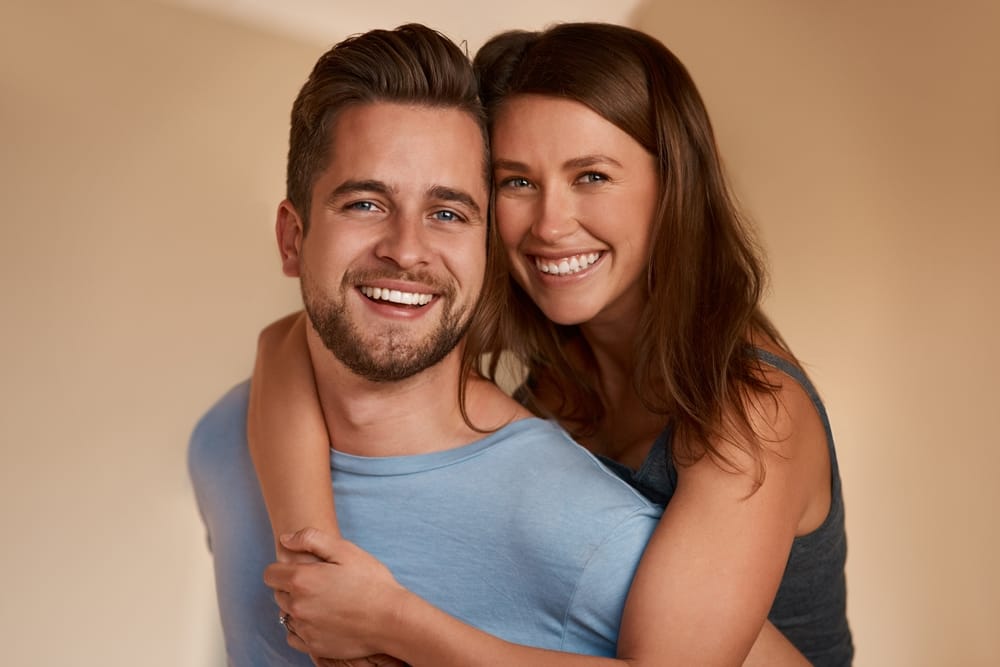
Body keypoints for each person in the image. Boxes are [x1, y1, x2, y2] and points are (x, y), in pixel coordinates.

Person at [249, 21, 853, 667]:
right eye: (516, 181)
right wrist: (312, 567)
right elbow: (293, 340)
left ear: (675, 187)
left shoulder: (752, 409)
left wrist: (389, 623)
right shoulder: (558, 355)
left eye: (591, 176)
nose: (551, 225)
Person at [189, 23, 674, 667]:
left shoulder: (585, 529)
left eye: (448, 213)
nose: (407, 249)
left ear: (485, 252)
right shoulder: (222, 438)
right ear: (292, 238)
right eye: (364, 203)